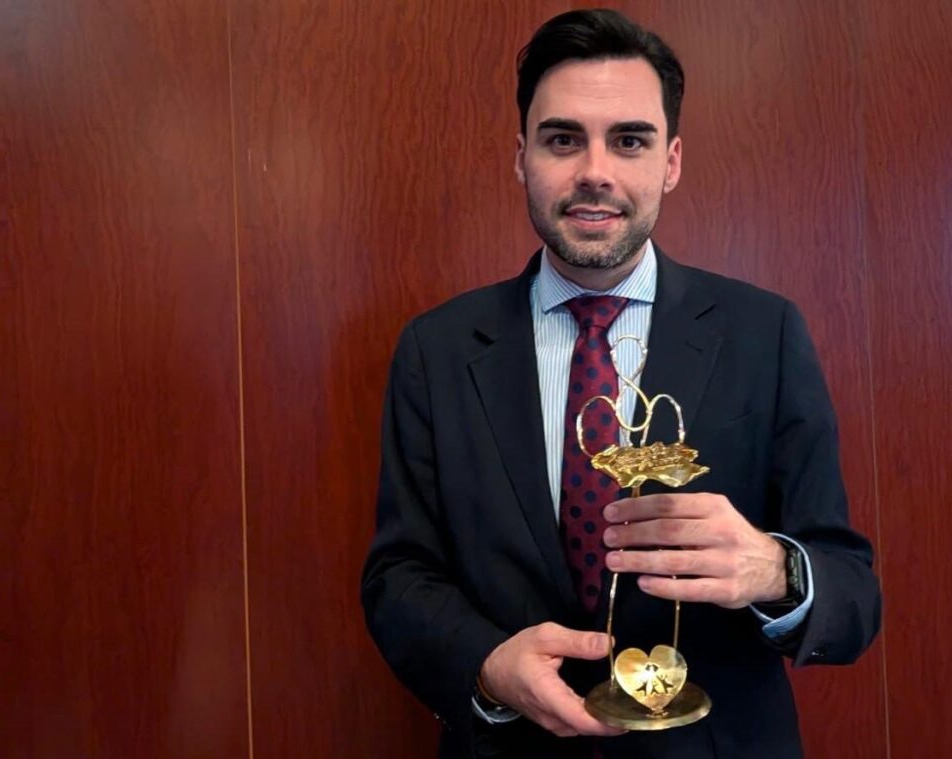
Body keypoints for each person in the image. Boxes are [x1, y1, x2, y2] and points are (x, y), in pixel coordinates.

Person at [361, 9, 881, 758]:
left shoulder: (764, 332)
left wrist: (774, 570)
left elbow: (852, 594)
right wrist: (487, 665)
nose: (595, 172)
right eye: (563, 139)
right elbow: (399, 576)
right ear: (521, 158)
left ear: (671, 161)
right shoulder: (435, 350)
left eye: (629, 140)